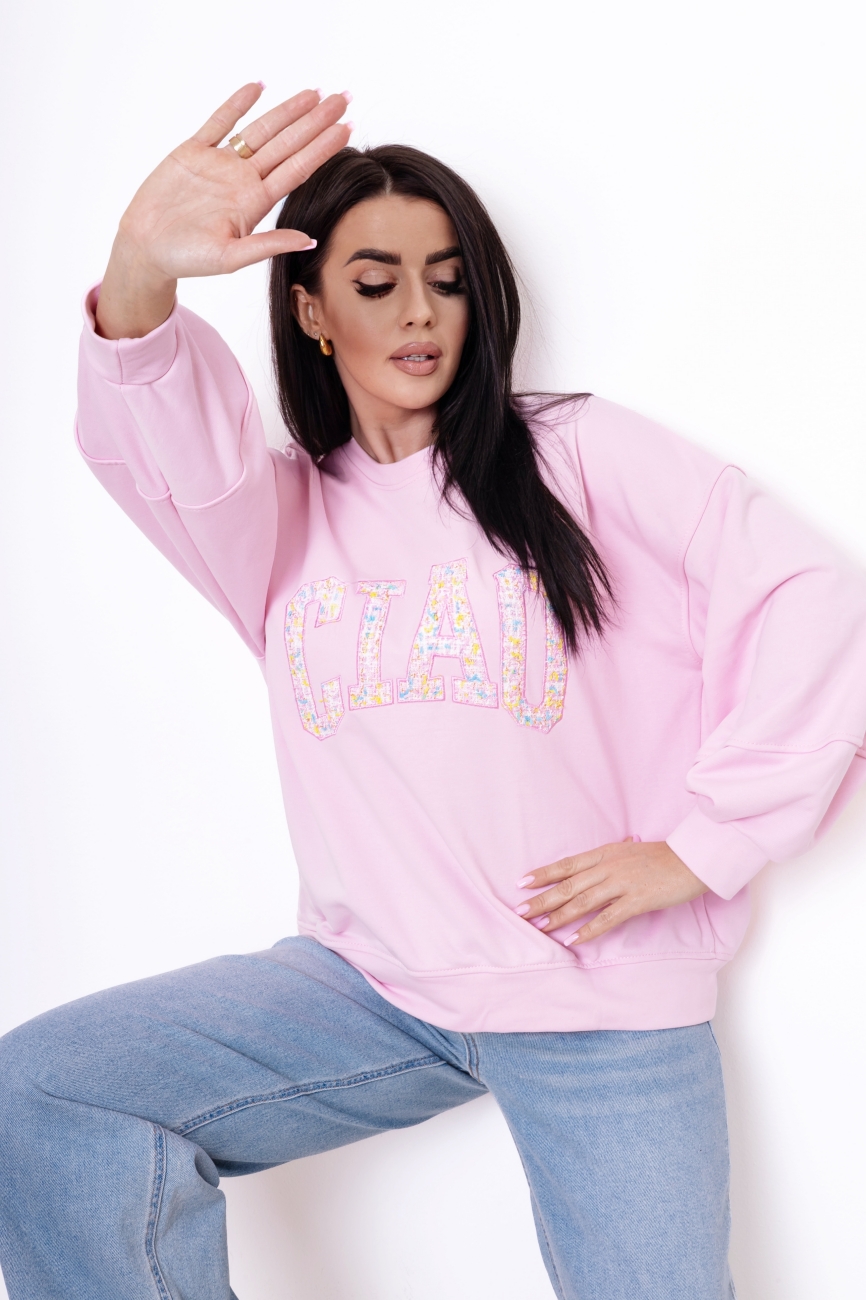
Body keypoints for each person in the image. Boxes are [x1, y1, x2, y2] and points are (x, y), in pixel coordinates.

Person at [1, 82, 865, 1300]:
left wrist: (701, 844)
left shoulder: (575, 452)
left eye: (447, 280)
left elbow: (810, 597)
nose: (418, 312)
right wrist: (141, 267)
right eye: (375, 282)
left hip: (597, 999)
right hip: (370, 989)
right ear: (310, 309)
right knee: (49, 1088)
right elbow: (164, 444)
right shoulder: (274, 519)